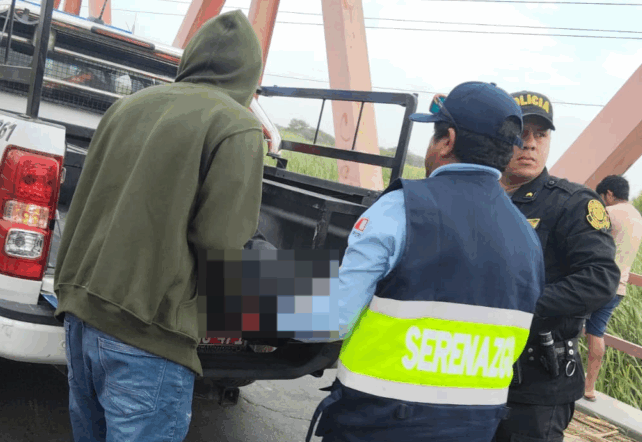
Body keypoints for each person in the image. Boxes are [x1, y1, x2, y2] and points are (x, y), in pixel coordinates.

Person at [53, 10, 265, 442]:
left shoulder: (127, 106)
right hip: (149, 335)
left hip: (82, 316)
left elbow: (88, 200)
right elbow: (220, 242)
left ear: (191, 57)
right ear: (250, 73)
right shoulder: (236, 125)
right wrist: (232, 323)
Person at [305, 81, 546, 442]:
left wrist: (238, 286)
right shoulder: (527, 238)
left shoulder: (401, 208)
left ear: (447, 139)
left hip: (377, 424)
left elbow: (332, 318)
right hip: (472, 430)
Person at [494, 91, 621, 442]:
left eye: (541, 135)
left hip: (533, 384)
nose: (530, 145)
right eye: (521, 133)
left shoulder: (570, 203)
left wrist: (519, 306)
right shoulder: (478, 196)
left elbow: (600, 279)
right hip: (469, 370)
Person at [583, 175, 642, 401]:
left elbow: (586, 242)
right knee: (596, 333)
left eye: (602, 197)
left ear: (609, 194)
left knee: (568, 323)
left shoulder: (609, 213)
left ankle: (563, 378)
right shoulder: (637, 217)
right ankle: (589, 388)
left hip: (597, 281)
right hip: (618, 286)